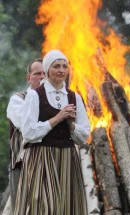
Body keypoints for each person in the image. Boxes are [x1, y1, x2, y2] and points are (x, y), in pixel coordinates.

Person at [14, 50, 90, 214]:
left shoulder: (74, 97)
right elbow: (28, 132)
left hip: (68, 157)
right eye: (56, 66)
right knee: (44, 206)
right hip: (42, 157)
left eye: (64, 66)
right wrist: (58, 117)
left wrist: (71, 125)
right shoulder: (34, 95)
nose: (61, 70)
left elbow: (84, 135)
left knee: (68, 206)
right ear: (47, 70)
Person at [6, 58, 45, 212]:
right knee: (22, 211)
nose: (42, 77)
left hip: (49, 163)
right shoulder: (17, 99)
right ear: (28, 78)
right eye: (37, 74)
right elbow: (26, 125)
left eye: (44, 74)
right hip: (23, 167)